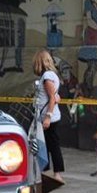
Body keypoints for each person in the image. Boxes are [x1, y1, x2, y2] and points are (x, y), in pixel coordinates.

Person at [32, 49, 64, 182]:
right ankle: (50, 172)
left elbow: (51, 97)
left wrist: (48, 117)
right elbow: (55, 97)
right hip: (50, 117)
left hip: (48, 118)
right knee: (49, 145)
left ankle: (55, 173)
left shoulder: (47, 77)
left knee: (48, 145)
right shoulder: (51, 75)